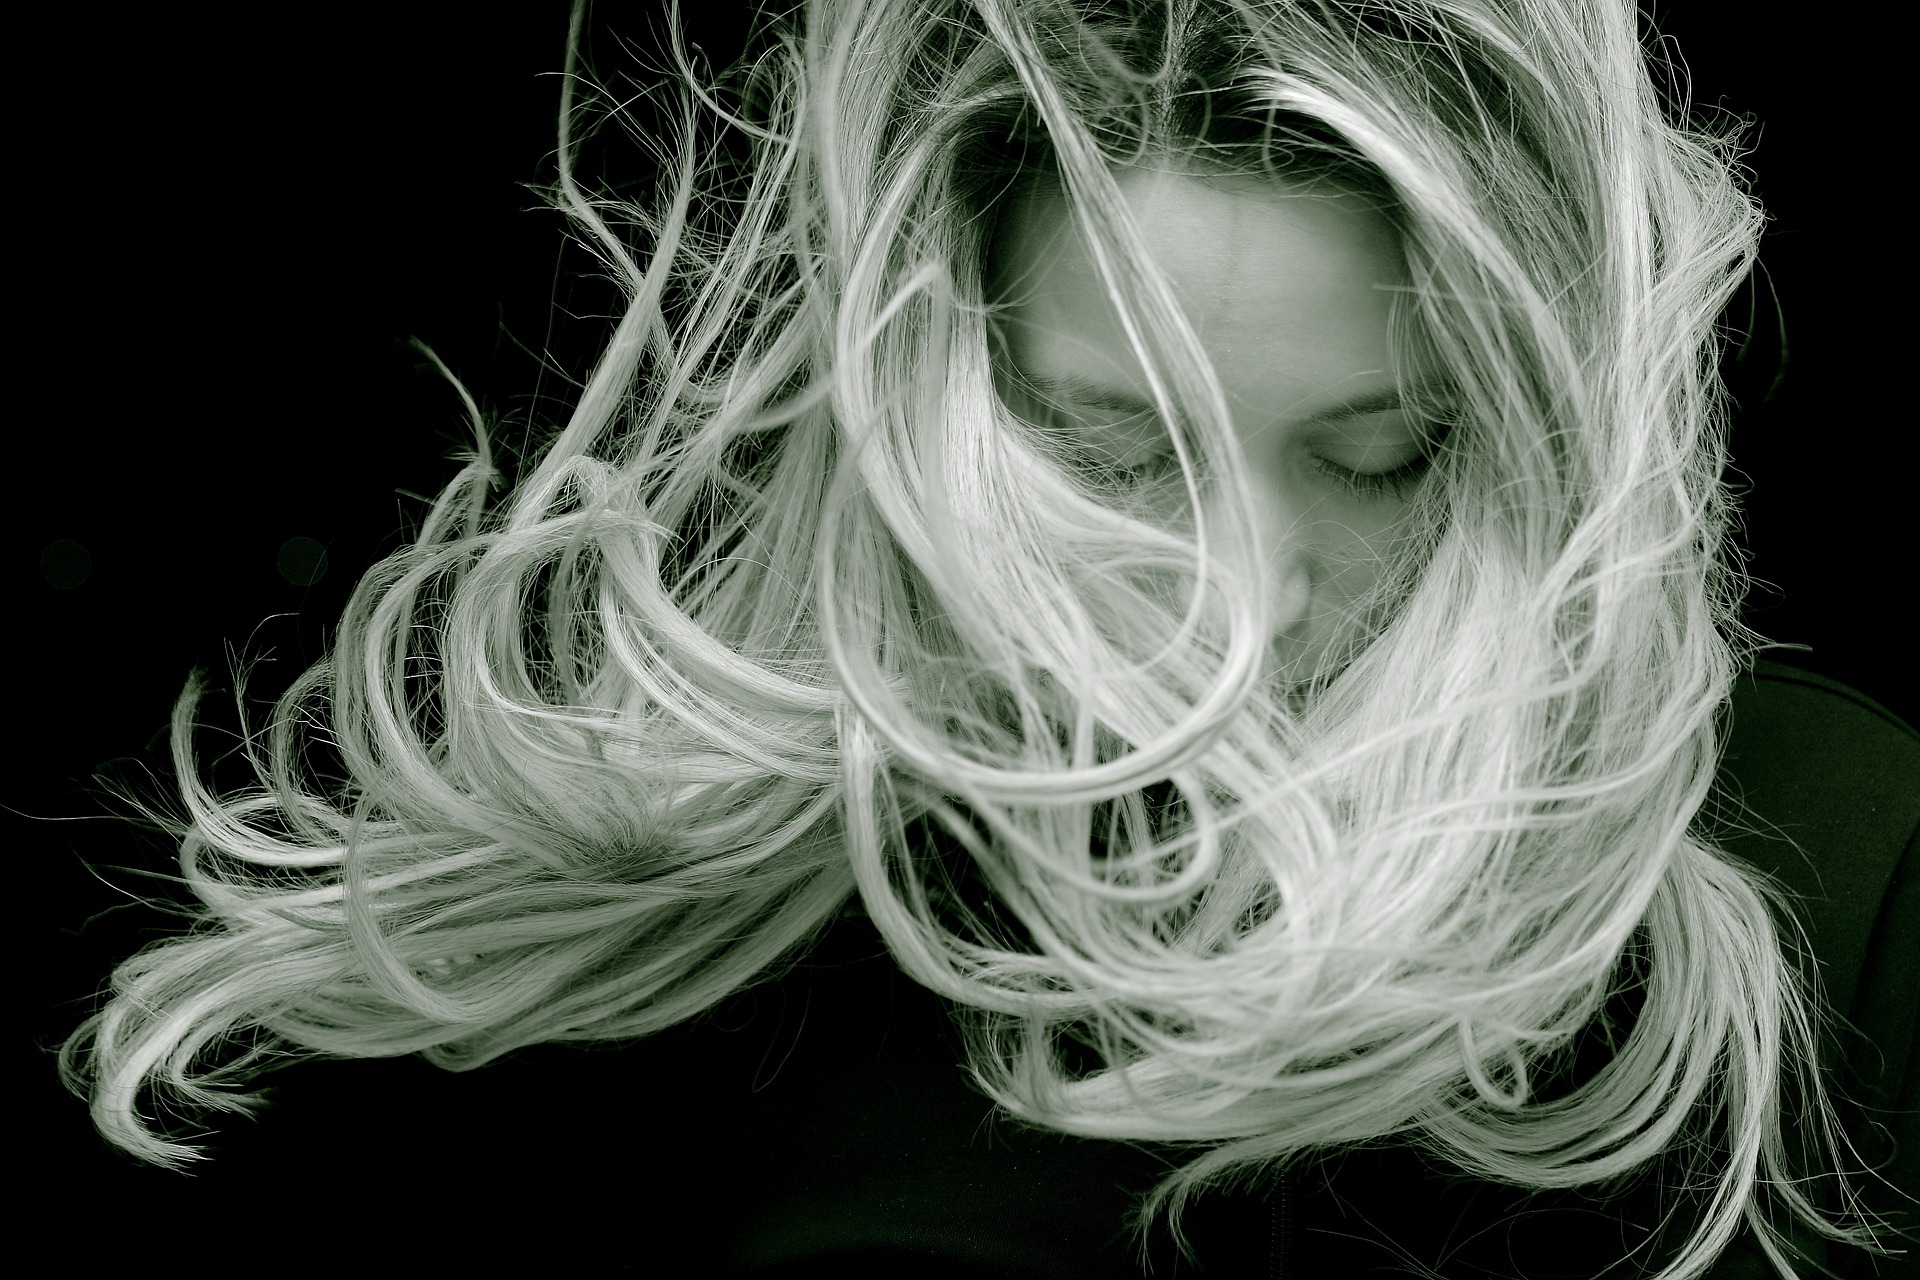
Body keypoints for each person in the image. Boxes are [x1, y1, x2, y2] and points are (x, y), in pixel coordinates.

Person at [55, 1, 1913, 1275]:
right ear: (941, 387)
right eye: (1111, 455)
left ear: (1537, 431)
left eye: (1380, 456)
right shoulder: (648, 958)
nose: (1238, 603)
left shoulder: (1839, 879)